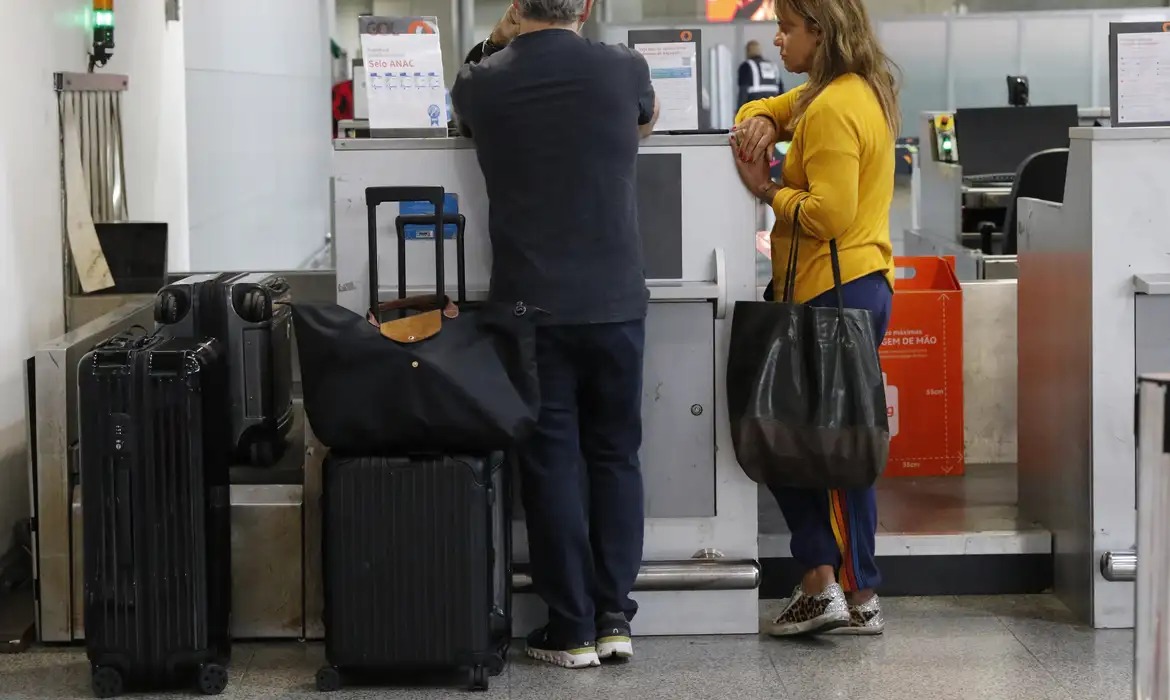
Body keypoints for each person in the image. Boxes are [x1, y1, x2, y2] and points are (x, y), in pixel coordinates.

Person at [451, 0, 659, 670]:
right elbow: (646, 124)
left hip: (530, 305)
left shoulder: (485, 78)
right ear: (588, 6)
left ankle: (569, 627)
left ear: (516, 6)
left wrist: (498, 38)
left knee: (551, 462)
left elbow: (463, 110)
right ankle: (614, 617)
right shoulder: (624, 68)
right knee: (616, 456)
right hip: (617, 301)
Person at [730, 0, 899, 637]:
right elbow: (769, 108)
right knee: (843, 446)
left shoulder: (829, 108)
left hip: (831, 293)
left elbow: (828, 214)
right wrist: (760, 123)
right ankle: (860, 594)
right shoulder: (855, 91)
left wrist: (766, 190)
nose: (776, 37)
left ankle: (819, 581)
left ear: (820, 33)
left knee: (793, 445)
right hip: (860, 286)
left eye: (789, 27)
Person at [737, 40, 783, 109]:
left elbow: (743, 92)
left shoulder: (746, 65)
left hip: (755, 108)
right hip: (773, 108)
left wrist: (739, 112)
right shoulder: (773, 66)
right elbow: (781, 91)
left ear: (748, 51)